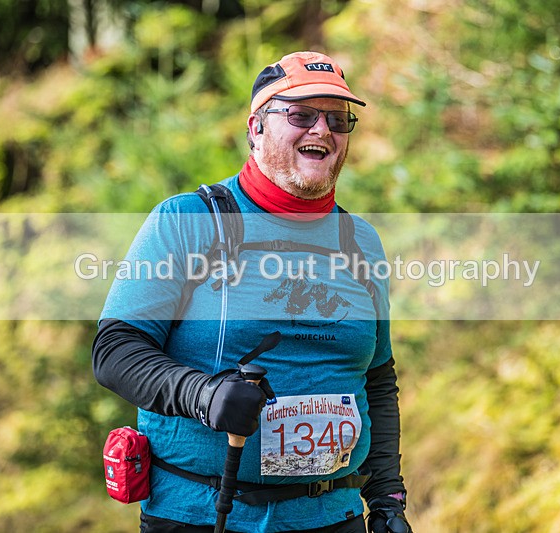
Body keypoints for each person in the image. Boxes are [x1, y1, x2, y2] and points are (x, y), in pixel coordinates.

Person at [93, 51, 412, 533]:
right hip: (203, 516)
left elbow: (377, 381)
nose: (322, 130)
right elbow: (115, 351)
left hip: (332, 516)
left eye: (338, 118)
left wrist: (387, 499)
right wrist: (204, 393)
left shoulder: (360, 240)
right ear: (256, 127)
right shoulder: (188, 221)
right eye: (301, 114)